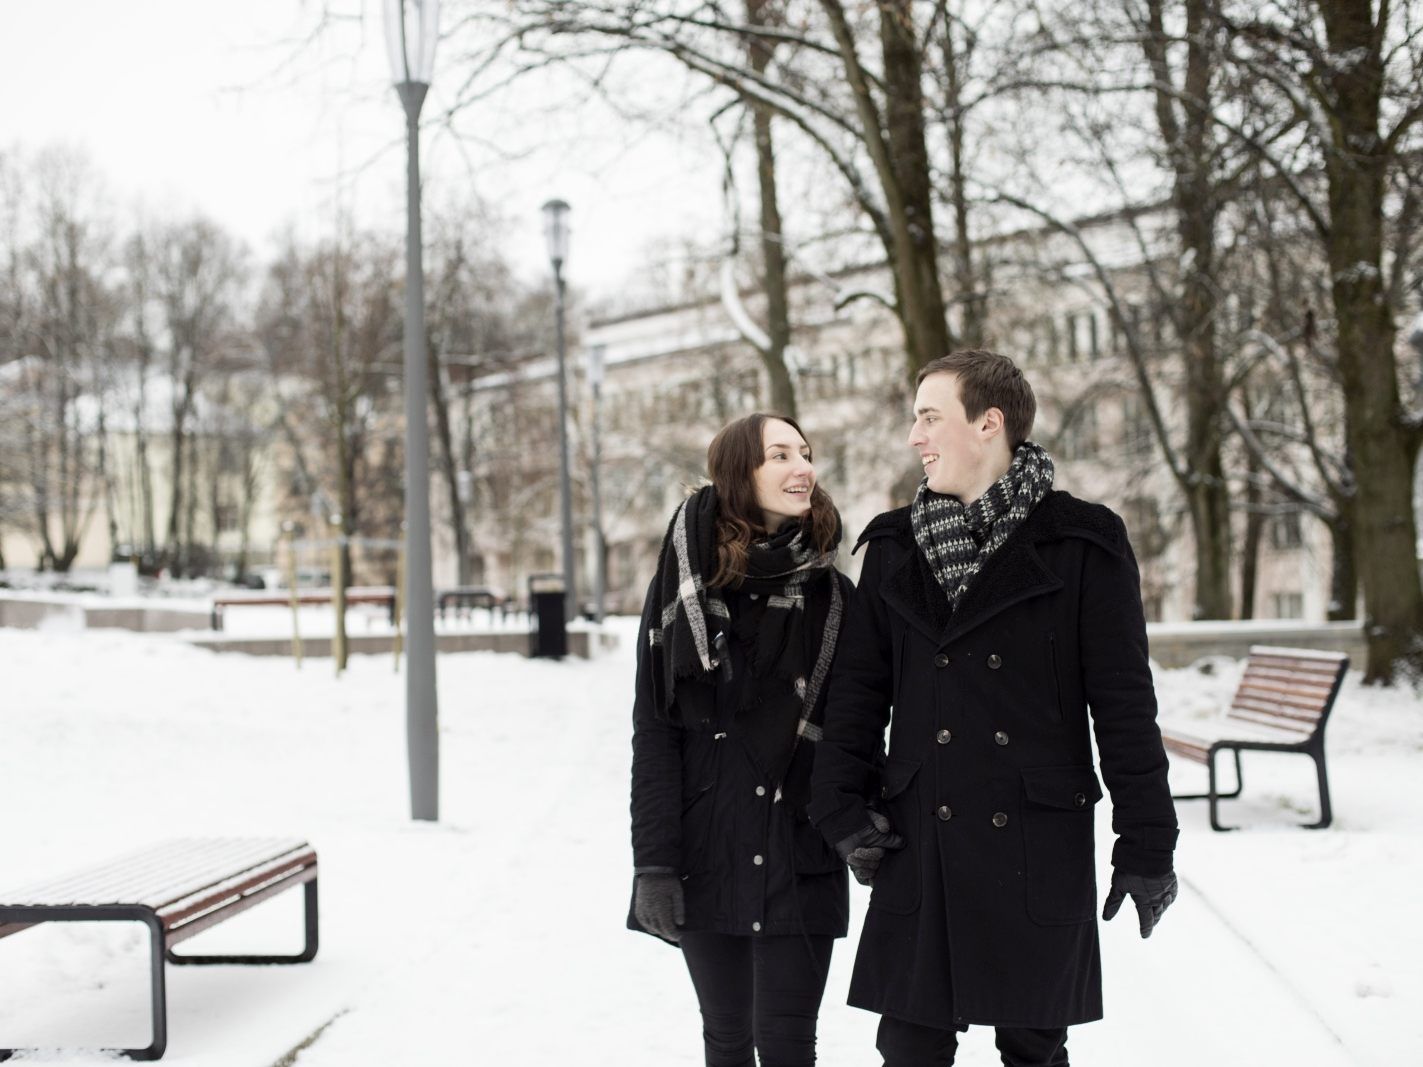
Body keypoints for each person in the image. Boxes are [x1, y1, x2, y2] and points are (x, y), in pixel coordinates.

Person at [808, 350, 1179, 1067]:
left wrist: (1147, 844)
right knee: (909, 1046)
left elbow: (1125, 708)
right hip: (922, 834)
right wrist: (840, 810)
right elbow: (855, 695)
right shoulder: (892, 546)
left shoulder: (1081, 543)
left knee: (1033, 1049)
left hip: (1034, 835)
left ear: (988, 422)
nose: (914, 436)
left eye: (928, 417)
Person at [629, 412, 856, 1067]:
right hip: (710, 846)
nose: (802, 467)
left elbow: (858, 728)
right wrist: (654, 864)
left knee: (788, 1045)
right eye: (779, 454)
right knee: (726, 1041)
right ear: (738, 472)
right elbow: (655, 732)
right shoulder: (681, 591)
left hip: (801, 846)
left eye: (805, 452)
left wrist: (860, 818)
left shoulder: (834, 596)